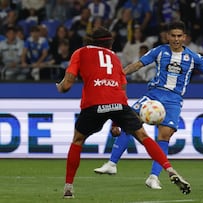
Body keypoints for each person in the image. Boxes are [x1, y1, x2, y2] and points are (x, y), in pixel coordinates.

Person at [56, 26, 191, 199]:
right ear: (109, 43)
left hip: (94, 103)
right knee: (143, 136)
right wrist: (116, 121)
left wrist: (60, 87)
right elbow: (122, 86)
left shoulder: (80, 52)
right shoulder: (113, 57)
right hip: (118, 103)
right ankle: (169, 169)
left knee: (78, 140)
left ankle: (68, 187)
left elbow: (67, 85)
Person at [94, 20, 203, 190]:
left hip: (174, 99)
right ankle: (111, 163)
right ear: (167, 36)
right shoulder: (160, 51)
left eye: (179, 36)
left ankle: (153, 177)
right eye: (173, 36)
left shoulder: (193, 57)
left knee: (165, 136)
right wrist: (119, 75)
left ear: (185, 37)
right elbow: (138, 64)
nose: (176, 39)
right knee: (130, 123)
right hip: (153, 94)